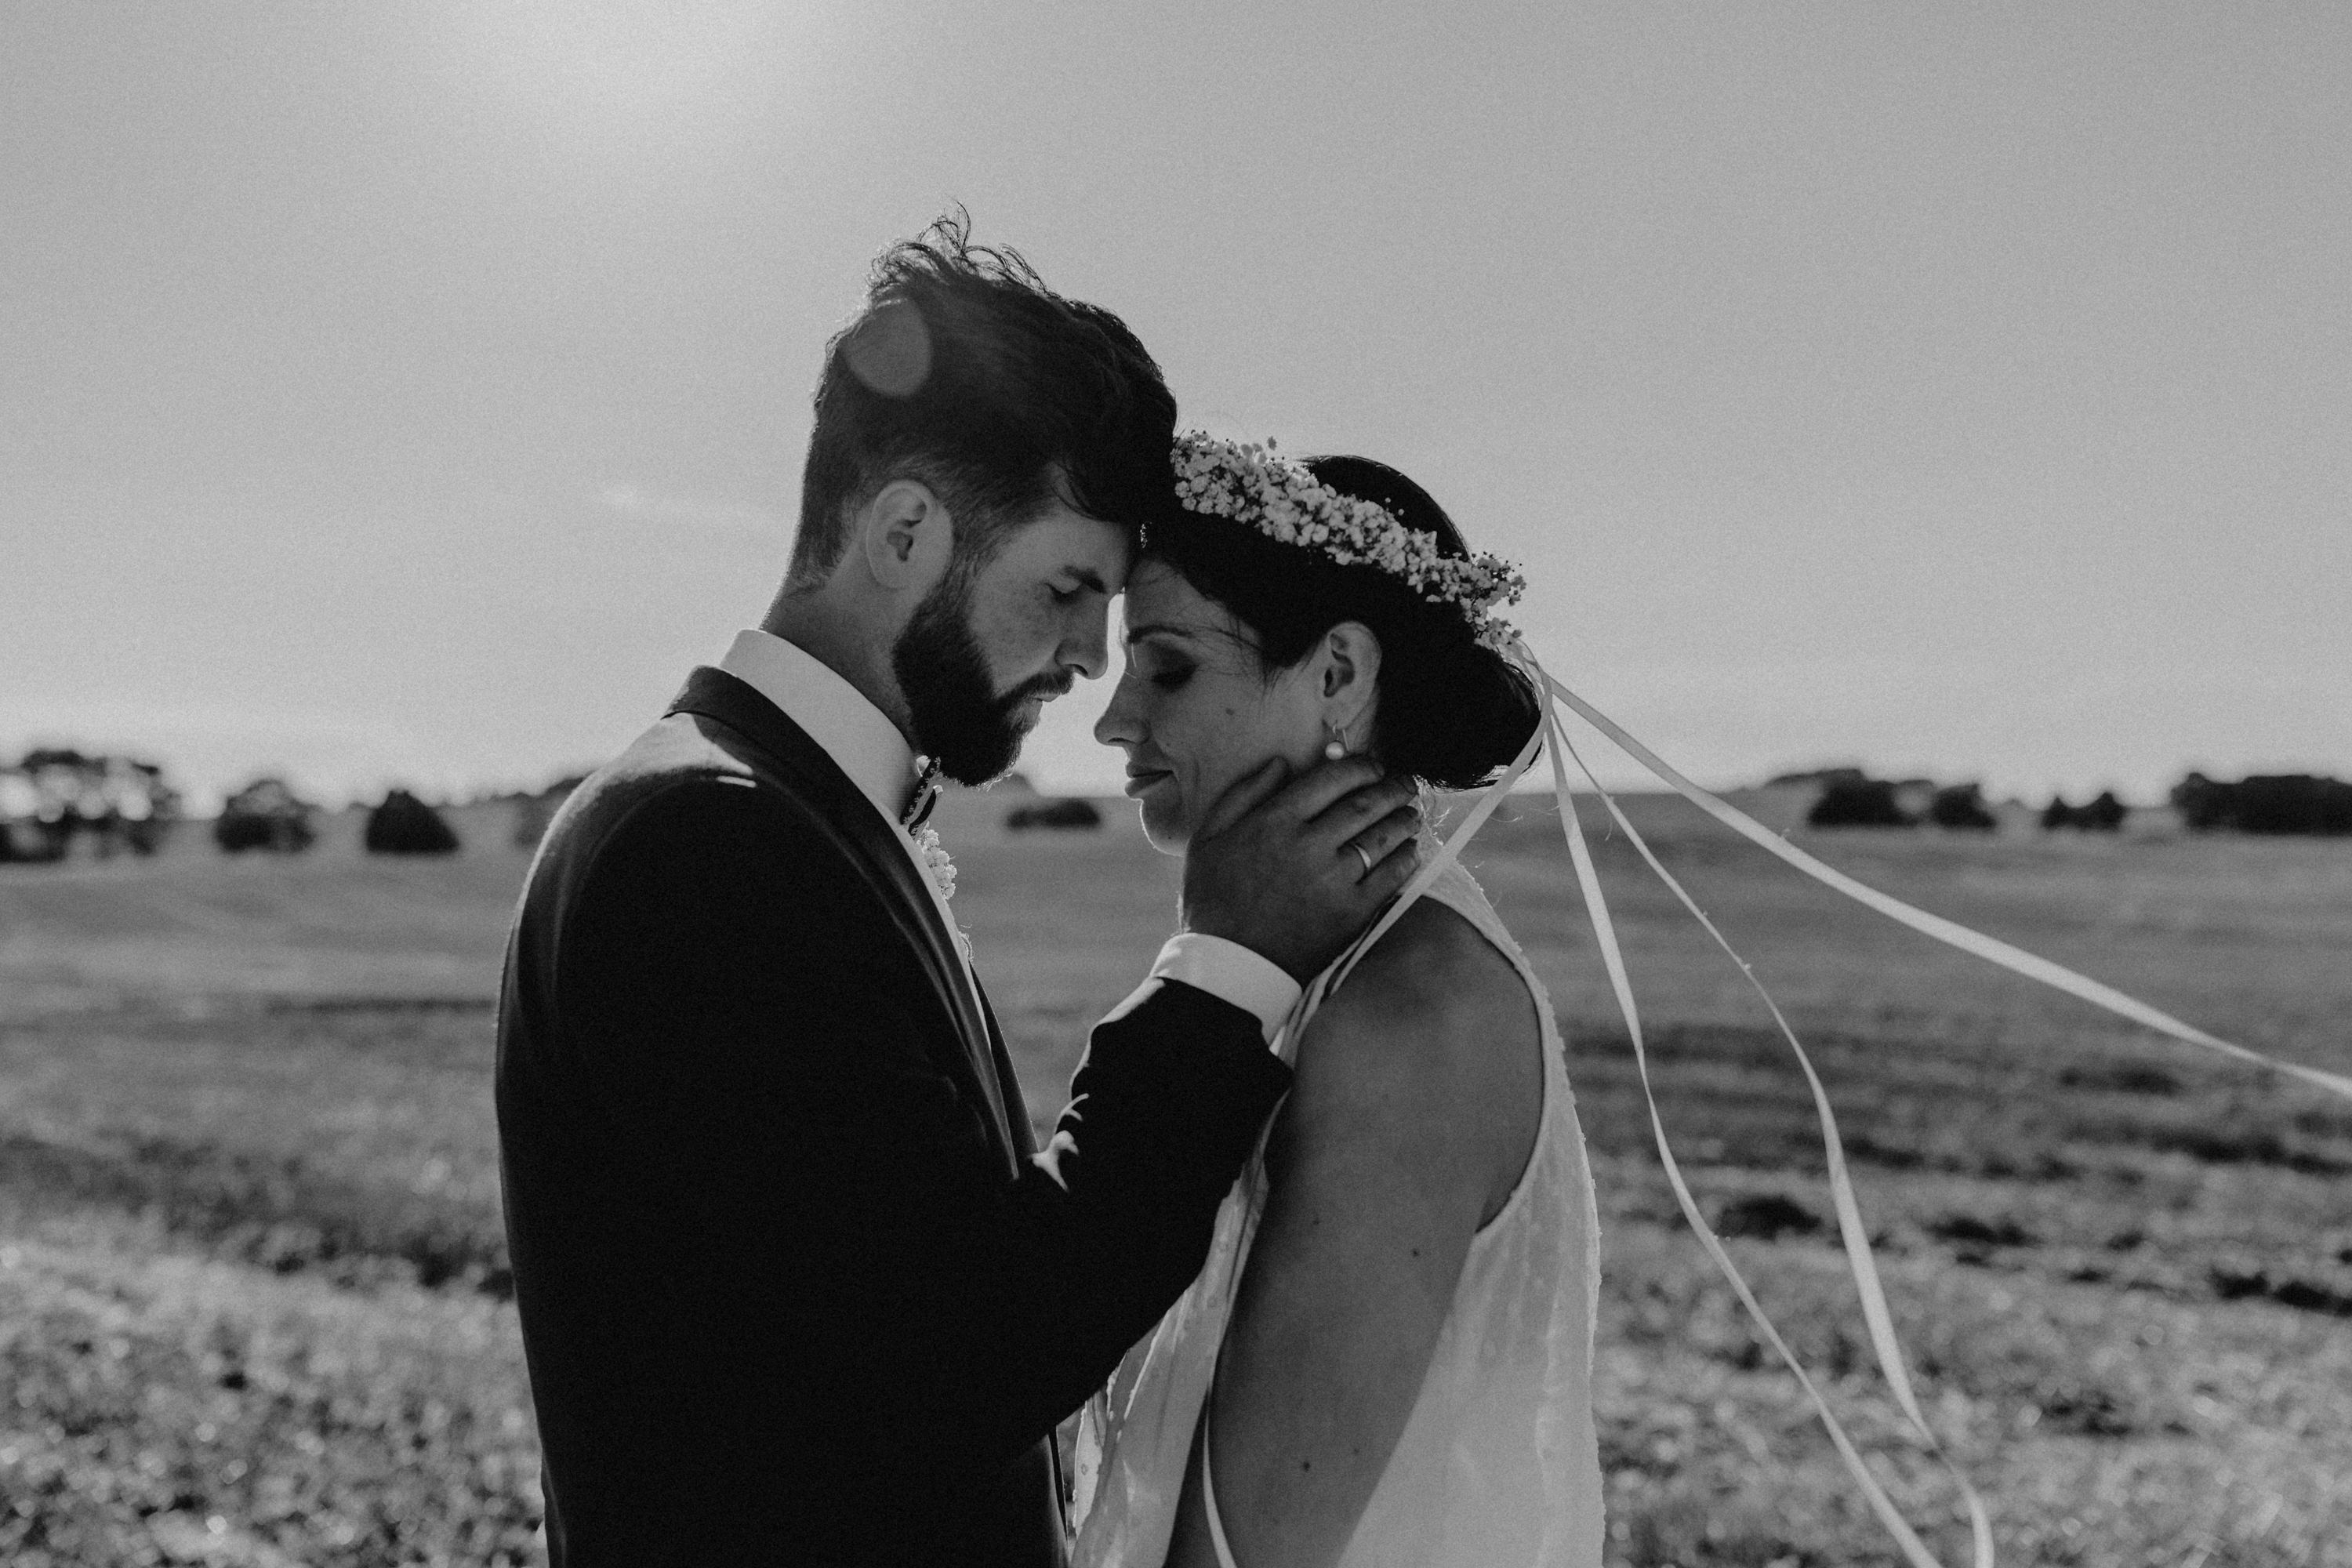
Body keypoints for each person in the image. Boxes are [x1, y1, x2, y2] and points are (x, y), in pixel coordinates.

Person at [493, 224, 1425, 1566]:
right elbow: (963, 1356)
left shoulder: (785, 815)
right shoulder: (707, 847)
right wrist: (1226, 965)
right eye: (1066, 587)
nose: (1091, 657)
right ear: (907, 531)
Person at [1076, 440, 1603, 1568]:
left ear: (1338, 676)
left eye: (1168, 670)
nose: (1113, 722)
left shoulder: (1410, 1012)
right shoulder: (1297, 962)